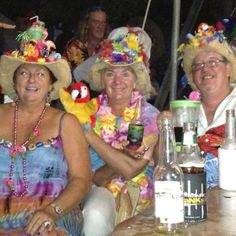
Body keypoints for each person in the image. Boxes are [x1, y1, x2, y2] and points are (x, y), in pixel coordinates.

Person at [0, 19, 91, 235]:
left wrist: (52, 211)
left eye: (41, 74)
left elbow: (82, 179)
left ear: (51, 84)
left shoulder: (65, 122)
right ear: (15, 82)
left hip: (53, 215)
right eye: (24, 72)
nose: (31, 79)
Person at [81, 27, 159, 236]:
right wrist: (124, 159)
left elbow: (133, 170)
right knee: (95, 212)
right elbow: (96, 178)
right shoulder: (87, 112)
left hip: (145, 195)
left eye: (126, 73)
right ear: (101, 79)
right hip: (98, 192)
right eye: (110, 73)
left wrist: (90, 136)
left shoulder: (151, 116)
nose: (117, 81)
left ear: (136, 79)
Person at [178, 22, 236, 188]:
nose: (205, 69)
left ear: (228, 69)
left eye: (213, 62)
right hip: (191, 199)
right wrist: (165, 128)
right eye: (198, 65)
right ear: (193, 77)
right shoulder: (183, 112)